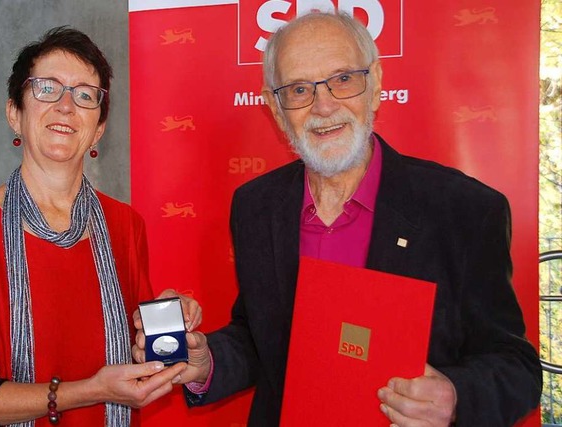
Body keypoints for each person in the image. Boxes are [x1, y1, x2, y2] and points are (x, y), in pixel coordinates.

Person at [135, 10, 543, 427]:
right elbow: (260, 338)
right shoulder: (255, 206)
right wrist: (208, 363)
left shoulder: (464, 210)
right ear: (276, 109)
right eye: (298, 89)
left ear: (377, 84)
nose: (324, 106)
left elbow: (517, 366)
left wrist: (456, 397)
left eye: (343, 79)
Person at [0, 27, 201, 427]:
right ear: (14, 113)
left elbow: (139, 359)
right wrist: (90, 391)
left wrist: (165, 330)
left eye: (85, 95)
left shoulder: (125, 226)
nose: (66, 106)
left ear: (99, 128)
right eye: (47, 89)